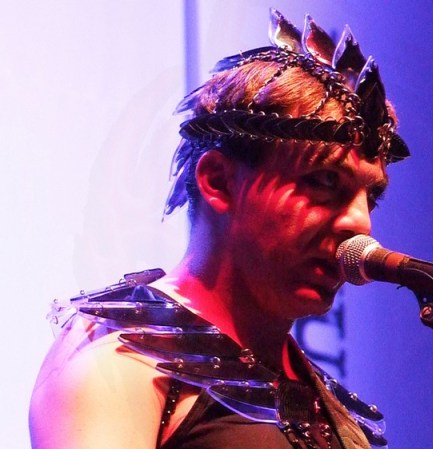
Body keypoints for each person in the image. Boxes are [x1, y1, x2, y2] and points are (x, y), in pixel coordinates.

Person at [29, 9, 409, 449]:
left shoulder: (320, 396)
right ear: (219, 182)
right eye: (324, 182)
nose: (360, 223)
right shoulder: (123, 353)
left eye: (370, 197)